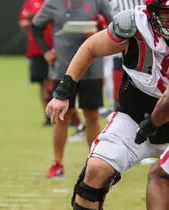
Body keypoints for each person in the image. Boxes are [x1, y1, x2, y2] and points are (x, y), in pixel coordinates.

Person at [44, 0, 169, 210]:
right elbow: (90, 47)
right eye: (167, 12)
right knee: (96, 169)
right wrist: (63, 92)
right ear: (152, 10)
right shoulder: (134, 25)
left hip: (162, 118)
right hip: (134, 116)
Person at [31, 0, 114, 178]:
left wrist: (98, 33)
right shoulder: (52, 3)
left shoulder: (98, 1)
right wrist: (46, 52)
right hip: (62, 69)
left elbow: (114, 26)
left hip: (92, 69)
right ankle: (57, 163)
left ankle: (93, 162)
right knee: (61, 116)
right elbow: (36, 27)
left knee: (92, 115)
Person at [18, 0, 53, 127]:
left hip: (56, 49)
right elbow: (23, 22)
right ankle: (48, 116)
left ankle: (67, 115)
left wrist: (34, 16)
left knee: (57, 81)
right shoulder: (31, 2)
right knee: (43, 83)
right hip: (37, 50)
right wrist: (34, 19)